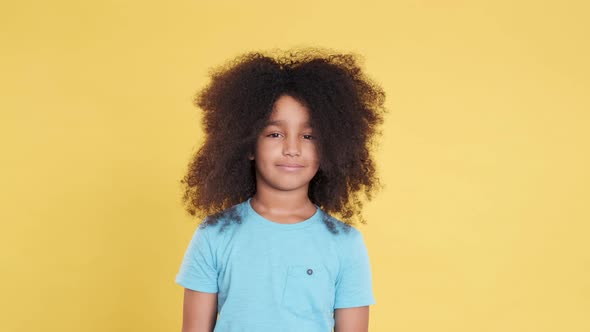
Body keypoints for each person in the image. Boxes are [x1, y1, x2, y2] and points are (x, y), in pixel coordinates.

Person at [176, 48, 386, 332]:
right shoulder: (214, 234)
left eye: (308, 136)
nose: (292, 149)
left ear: (330, 147)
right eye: (275, 134)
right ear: (248, 144)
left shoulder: (345, 244)